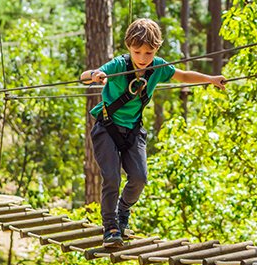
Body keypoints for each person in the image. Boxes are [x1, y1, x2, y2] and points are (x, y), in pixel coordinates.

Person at [81, 18, 226, 247]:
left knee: (139, 178)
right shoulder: (119, 65)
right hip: (107, 128)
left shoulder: (158, 67)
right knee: (111, 176)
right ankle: (110, 226)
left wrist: (210, 79)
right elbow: (85, 76)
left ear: (156, 49)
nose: (142, 58)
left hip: (133, 131)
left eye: (148, 53)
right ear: (129, 48)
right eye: (137, 52)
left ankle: (123, 211)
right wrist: (96, 75)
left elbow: (183, 75)